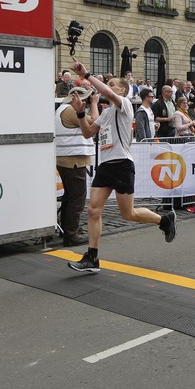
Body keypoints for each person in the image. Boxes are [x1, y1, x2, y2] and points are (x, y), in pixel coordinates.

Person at [65, 59, 176, 273]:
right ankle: (92, 258)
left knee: (128, 214)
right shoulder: (107, 113)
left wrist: (87, 75)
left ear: (121, 90)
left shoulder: (124, 104)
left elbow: (108, 93)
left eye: (112, 84)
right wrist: (80, 113)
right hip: (106, 165)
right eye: (108, 83)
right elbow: (88, 133)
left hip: (122, 164)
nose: (108, 86)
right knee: (93, 209)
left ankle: (164, 220)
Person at [55, 85, 97, 247]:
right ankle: (71, 234)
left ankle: (67, 230)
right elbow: (95, 123)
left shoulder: (62, 109)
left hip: (67, 158)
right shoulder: (71, 111)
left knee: (70, 196)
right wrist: (95, 104)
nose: (86, 102)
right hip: (73, 159)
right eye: (85, 99)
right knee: (77, 198)